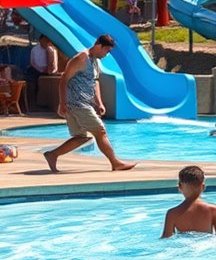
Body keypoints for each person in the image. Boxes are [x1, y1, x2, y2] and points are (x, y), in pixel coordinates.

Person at [43, 35, 135, 173]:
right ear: (99, 46)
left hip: (82, 103)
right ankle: (116, 163)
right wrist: (62, 103)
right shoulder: (81, 58)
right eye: (107, 51)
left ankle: (52, 155)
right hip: (77, 103)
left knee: (81, 137)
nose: (106, 55)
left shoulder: (95, 61)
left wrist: (99, 102)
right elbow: (64, 80)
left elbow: (95, 81)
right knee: (100, 131)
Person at [161, 165, 216, 239]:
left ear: (179, 188)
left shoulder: (172, 213)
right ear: (203, 187)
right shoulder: (212, 209)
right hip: (205, 245)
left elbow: (166, 238)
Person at [27, 35, 58, 110]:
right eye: (44, 40)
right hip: (36, 69)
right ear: (40, 40)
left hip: (47, 70)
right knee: (33, 79)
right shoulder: (34, 49)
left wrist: (48, 69)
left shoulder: (50, 49)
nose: (46, 42)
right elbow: (32, 62)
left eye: (47, 41)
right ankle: (34, 102)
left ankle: (47, 101)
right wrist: (39, 69)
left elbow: (52, 63)